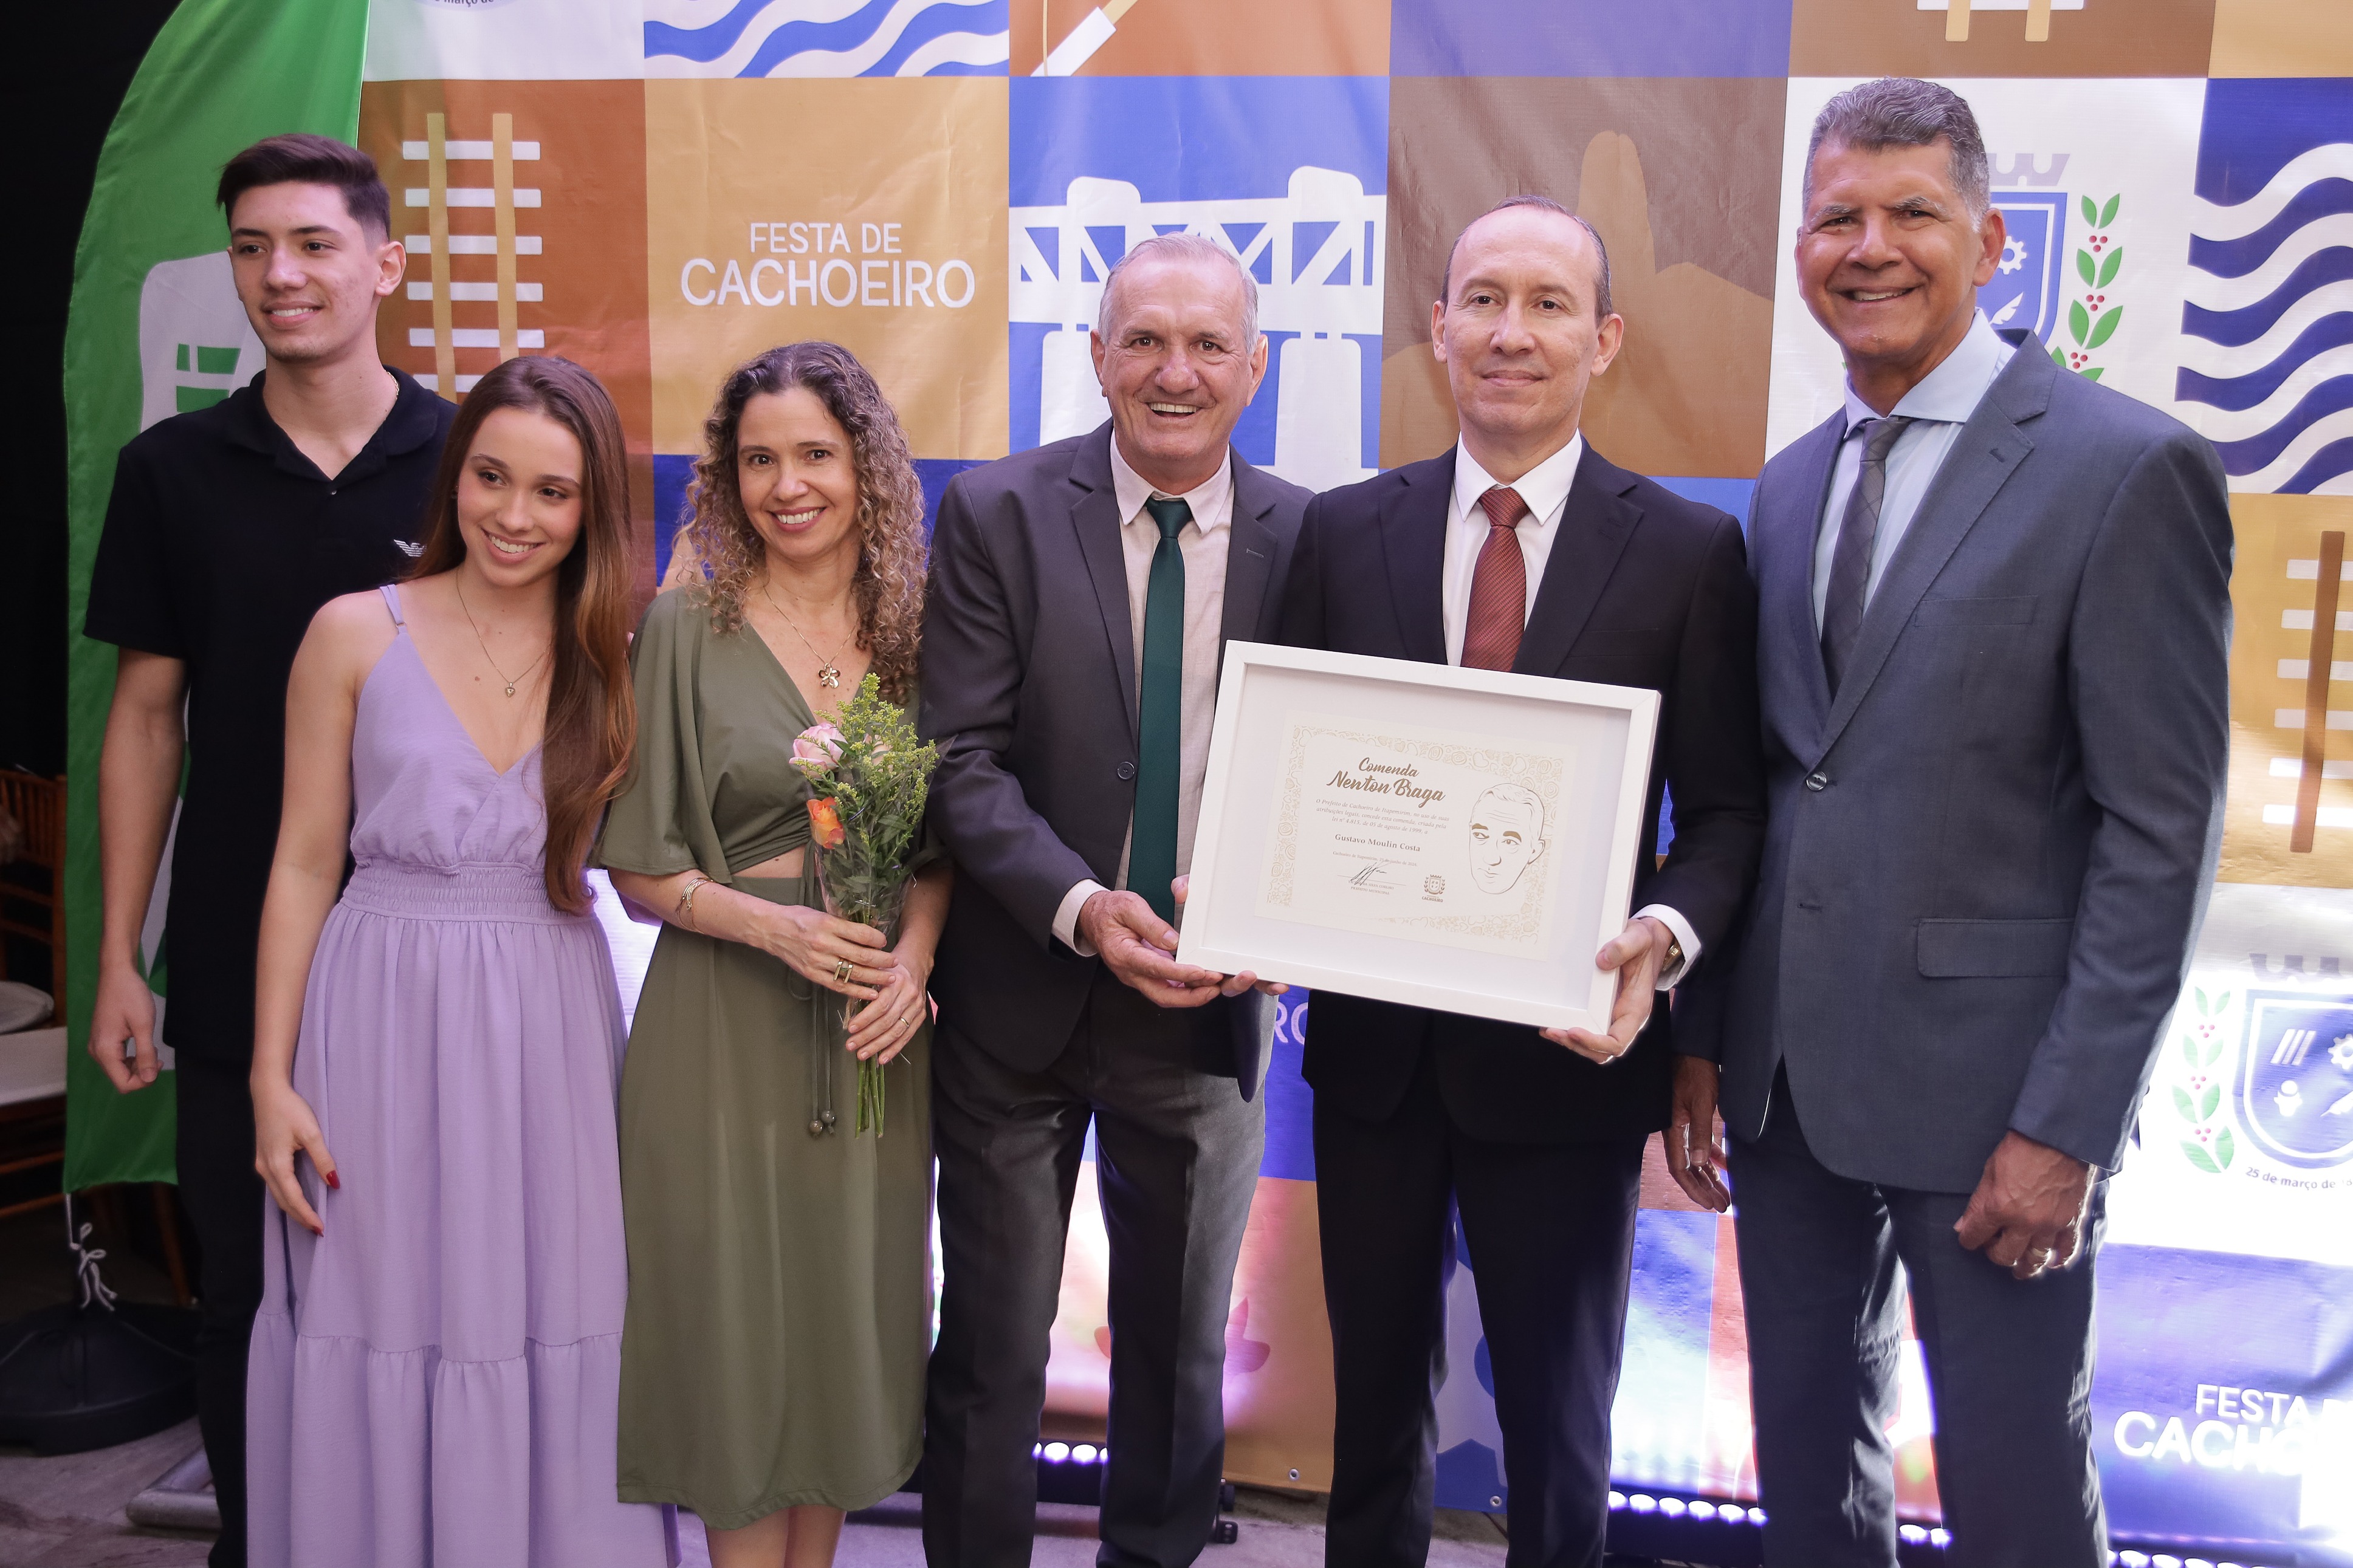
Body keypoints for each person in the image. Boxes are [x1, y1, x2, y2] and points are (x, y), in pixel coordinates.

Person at [1674, 79, 2231, 1568]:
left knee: (2015, 1485)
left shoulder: (2124, 471)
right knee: (1805, 1475)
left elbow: (2159, 840)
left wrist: (2067, 1128)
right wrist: (1707, 1041)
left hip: (1997, 1110)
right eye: (1835, 219)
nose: (1869, 247)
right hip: (1785, 1095)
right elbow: (1778, 790)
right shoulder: (1787, 485)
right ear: (1800, 250)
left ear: (1988, 241)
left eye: (1911, 212)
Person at [1277, 195, 1766, 1568]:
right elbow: (1293, 768)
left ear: (1604, 339)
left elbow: (1727, 812)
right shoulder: (1345, 531)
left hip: (1570, 1061)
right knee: (1372, 1416)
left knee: (1561, 1426)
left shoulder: (1687, 551)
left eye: (1550, 304)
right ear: (1438, 328)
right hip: (1375, 1061)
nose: (1512, 332)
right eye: (1483, 300)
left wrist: (1663, 937)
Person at [81, 132, 455, 1568]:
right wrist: (120, 956)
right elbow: (145, 718)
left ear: (386, 264)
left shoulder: (472, 464)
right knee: (243, 1293)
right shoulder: (173, 469)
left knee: (433, 1283)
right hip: (239, 951)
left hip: (441, 948)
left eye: (311, 244)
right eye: (252, 249)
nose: (279, 275)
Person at [919, 233, 1310, 1568]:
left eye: (1207, 344)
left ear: (1255, 367)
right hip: (1016, 1006)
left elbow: (1342, 770)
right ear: (1095, 356)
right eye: (1143, 339)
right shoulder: (997, 512)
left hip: (1204, 1007)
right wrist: (1083, 905)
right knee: (988, 1350)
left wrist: (1285, 911)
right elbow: (958, 761)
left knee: (1181, 1359)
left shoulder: (1312, 536)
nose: (1174, 371)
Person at [242, 354, 665, 1566]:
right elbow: (302, 864)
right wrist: (271, 1076)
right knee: (380, 1306)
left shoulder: (619, 658)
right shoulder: (352, 632)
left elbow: (664, 862)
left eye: (552, 491)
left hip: (553, 1022)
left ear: (592, 508)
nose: (513, 515)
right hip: (377, 1018)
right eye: (490, 477)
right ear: (454, 476)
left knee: (560, 1306)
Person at [597, 341, 947, 1568]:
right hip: (719, 1033)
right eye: (757, 460)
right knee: (733, 1342)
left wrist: (912, 962)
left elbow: (946, 844)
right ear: (726, 479)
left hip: (871, 1038)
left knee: (845, 1333)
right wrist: (773, 925)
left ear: (867, 467)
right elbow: (638, 870)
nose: (787, 485)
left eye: (815, 455)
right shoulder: (682, 628)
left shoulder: (921, 633)